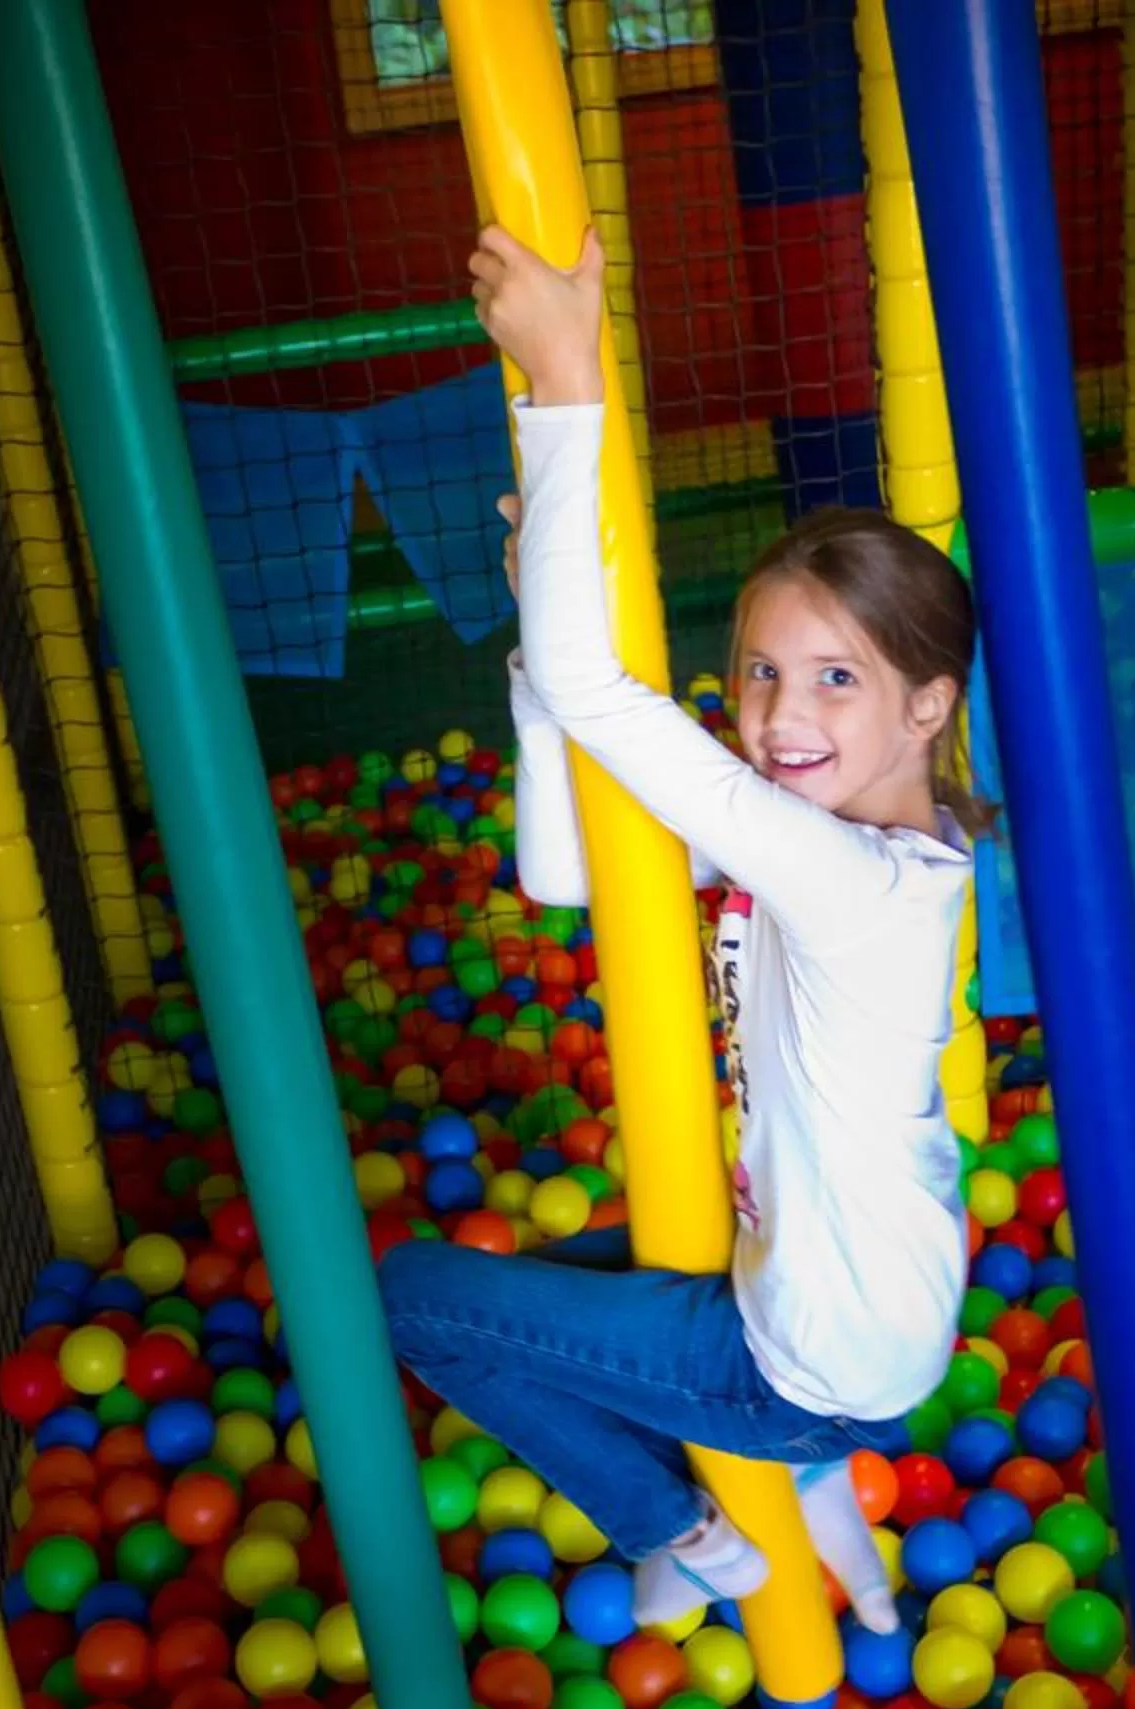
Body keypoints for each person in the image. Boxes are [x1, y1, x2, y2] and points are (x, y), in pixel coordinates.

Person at [375, 222, 988, 1634]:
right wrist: (541, 658)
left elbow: (601, 687)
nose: (780, 713)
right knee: (534, 1289)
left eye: (839, 677)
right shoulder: (855, 847)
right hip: (841, 1294)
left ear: (927, 706)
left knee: (415, 1298)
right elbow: (565, 874)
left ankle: (685, 1525)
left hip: (802, 1356)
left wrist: (562, 379)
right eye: (763, 669)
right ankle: (834, 1508)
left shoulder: (850, 883)